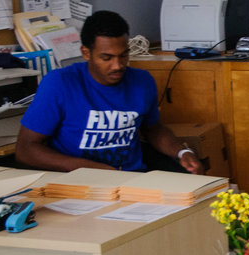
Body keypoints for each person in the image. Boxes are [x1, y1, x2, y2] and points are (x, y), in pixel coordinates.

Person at [16, 10, 203, 174]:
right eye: (106, 58)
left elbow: (153, 130)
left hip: (131, 178)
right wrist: (84, 167)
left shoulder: (142, 81)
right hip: (75, 181)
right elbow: (26, 149)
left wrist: (182, 152)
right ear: (86, 53)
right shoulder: (60, 84)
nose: (118, 66)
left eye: (123, 55)